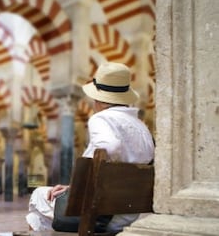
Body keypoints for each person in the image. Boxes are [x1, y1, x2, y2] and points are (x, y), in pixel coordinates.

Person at [25, 62, 155, 232]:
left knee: (38, 196)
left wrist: (79, 188)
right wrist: (73, 188)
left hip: (98, 214)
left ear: (98, 99)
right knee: (44, 211)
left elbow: (109, 146)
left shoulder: (101, 118)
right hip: (127, 215)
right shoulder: (142, 127)